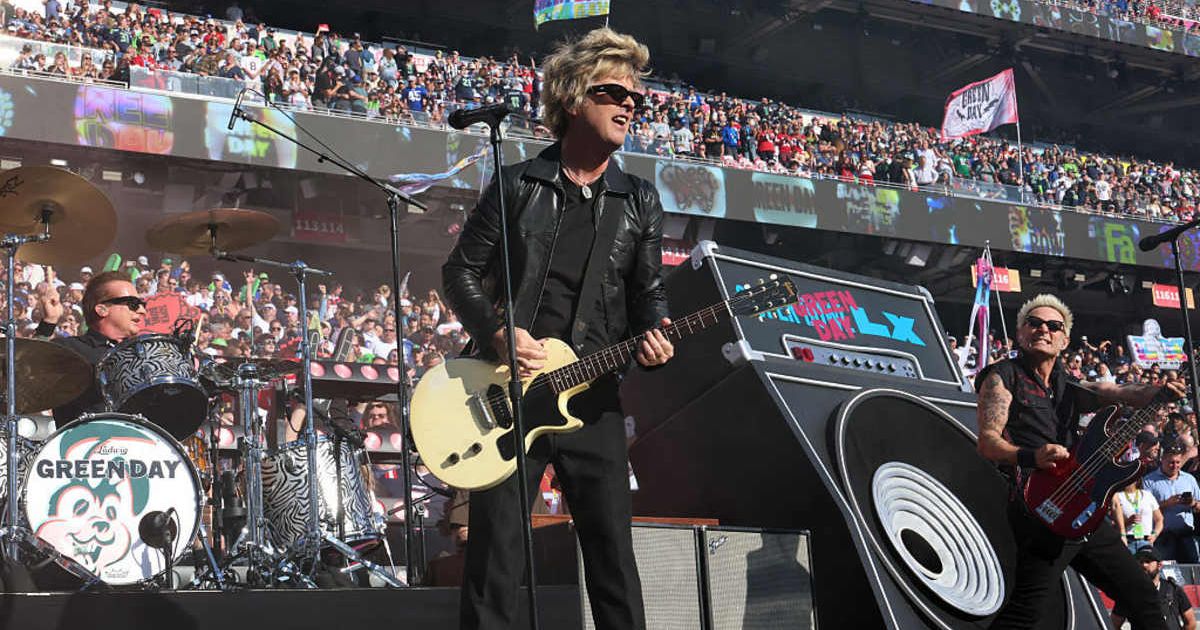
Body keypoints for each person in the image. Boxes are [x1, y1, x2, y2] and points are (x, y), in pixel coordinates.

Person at [443, 28, 673, 630]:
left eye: (636, 99)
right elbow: (460, 272)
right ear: (573, 99)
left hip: (591, 398)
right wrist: (497, 334)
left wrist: (656, 342)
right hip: (508, 396)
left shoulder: (639, 202)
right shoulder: (519, 186)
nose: (629, 106)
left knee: (613, 561)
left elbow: (648, 298)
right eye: (613, 92)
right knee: (496, 559)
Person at [975, 294, 1185, 628]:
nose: (1043, 329)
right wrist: (1031, 456)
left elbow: (1119, 393)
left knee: (1142, 594)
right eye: (1034, 323)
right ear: (1020, 333)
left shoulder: (1066, 385)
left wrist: (1161, 391)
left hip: (1084, 507)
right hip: (1039, 507)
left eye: (1053, 326)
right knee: (1026, 613)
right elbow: (987, 441)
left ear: (1064, 340)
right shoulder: (1002, 377)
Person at [36, 270, 146, 424]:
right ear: (102, 309)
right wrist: (49, 321)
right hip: (82, 443)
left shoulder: (143, 355)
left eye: (142, 304)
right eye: (133, 304)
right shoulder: (70, 349)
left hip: (140, 443)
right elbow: (26, 373)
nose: (142, 311)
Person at [1111, 548, 1197, 630]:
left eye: (1148, 561)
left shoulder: (1173, 589)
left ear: (1159, 565)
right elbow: (1113, 624)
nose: (1143, 565)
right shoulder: (1129, 593)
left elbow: (1191, 623)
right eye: (1140, 561)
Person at [1143, 448, 1200, 562]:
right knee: (1166, 572)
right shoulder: (1149, 481)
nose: (1175, 466)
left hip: (1186, 536)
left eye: (1178, 462)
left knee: (1193, 573)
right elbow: (1144, 510)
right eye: (1171, 462)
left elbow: (1198, 506)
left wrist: (1192, 503)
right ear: (1162, 460)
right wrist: (1167, 503)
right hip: (1163, 538)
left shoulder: (1189, 479)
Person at [1113, 479, 1163, 554]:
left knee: (1146, 564)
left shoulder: (1147, 495)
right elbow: (1113, 524)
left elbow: (1159, 519)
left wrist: (1155, 534)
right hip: (1128, 540)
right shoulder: (1117, 496)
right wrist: (1128, 521)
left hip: (1146, 540)